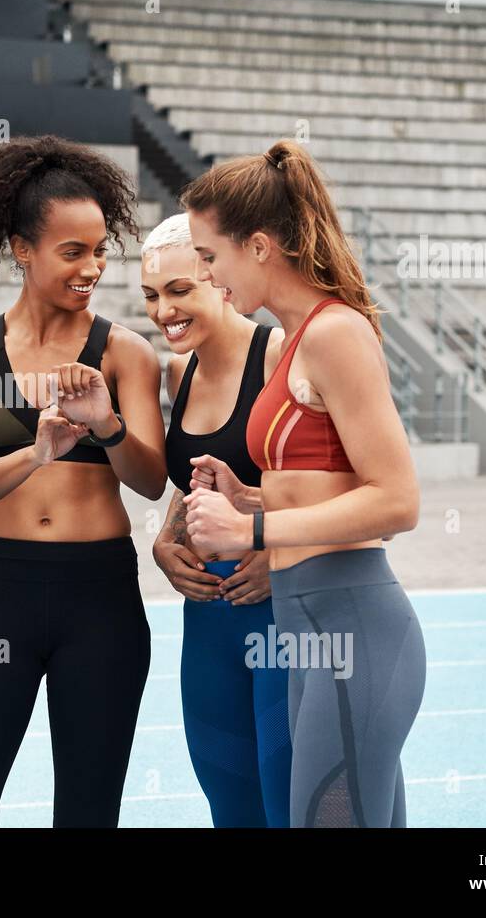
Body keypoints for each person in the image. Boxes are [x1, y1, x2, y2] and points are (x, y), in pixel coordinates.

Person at [180, 140, 427, 828]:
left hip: (356, 634)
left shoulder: (335, 333)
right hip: (308, 636)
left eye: (210, 256)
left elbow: (398, 500)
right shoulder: (293, 340)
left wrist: (252, 529)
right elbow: (329, 484)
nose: (207, 275)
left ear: (258, 246)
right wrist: (247, 495)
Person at [0, 134, 168, 827]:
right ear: (21, 248)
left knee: (88, 816)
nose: (91, 267)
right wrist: (36, 452)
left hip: (101, 601)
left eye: (99, 250)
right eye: (72, 252)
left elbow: (150, 481)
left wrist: (109, 426)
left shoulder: (126, 353)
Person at [142, 213, 293, 827]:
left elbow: (360, 491)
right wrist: (165, 537)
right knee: (229, 803)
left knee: (289, 801)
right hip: (207, 619)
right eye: (151, 295)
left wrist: (276, 551)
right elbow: (199, 476)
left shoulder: (281, 354)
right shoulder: (180, 371)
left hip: (280, 614)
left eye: (180, 291)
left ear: (221, 280)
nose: (163, 311)